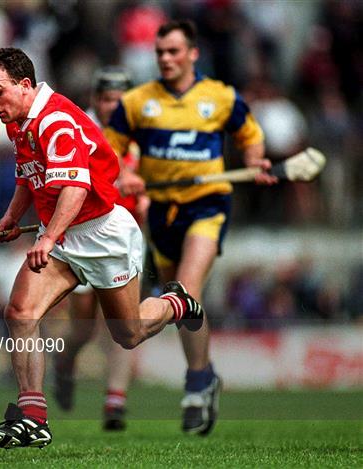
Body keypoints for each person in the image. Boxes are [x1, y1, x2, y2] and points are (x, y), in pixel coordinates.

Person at [0, 47, 204, 450]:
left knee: (128, 333)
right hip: (63, 235)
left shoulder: (56, 120)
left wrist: (48, 237)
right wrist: (14, 216)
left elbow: (76, 187)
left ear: (25, 85)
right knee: (20, 312)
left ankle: (176, 304)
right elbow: (28, 174)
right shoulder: (19, 121)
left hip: (103, 235)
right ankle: (33, 418)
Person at [104, 19, 277, 436]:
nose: (165, 59)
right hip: (162, 212)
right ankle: (203, 376)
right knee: (178, 307)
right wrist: (125, 173)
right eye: (160, 52)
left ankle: (196, 386)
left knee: (185, 291)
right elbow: (110, 153)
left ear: (192, 54)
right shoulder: (137, 102)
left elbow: (250, 136)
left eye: (174, 51)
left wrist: (255, 160)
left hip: (208, 205)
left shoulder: (220, 97)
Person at [53, 67, 147, 431]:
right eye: (108, 100)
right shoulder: (80, 129)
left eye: (121, 101)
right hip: (85, 235)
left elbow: (150, 182)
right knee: (82, 329)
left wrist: (148, 193)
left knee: (120, 324)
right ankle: (64, 365)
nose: (114, 107)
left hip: (122, 237)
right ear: (96, 100)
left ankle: (115, 401)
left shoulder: (143, 135)